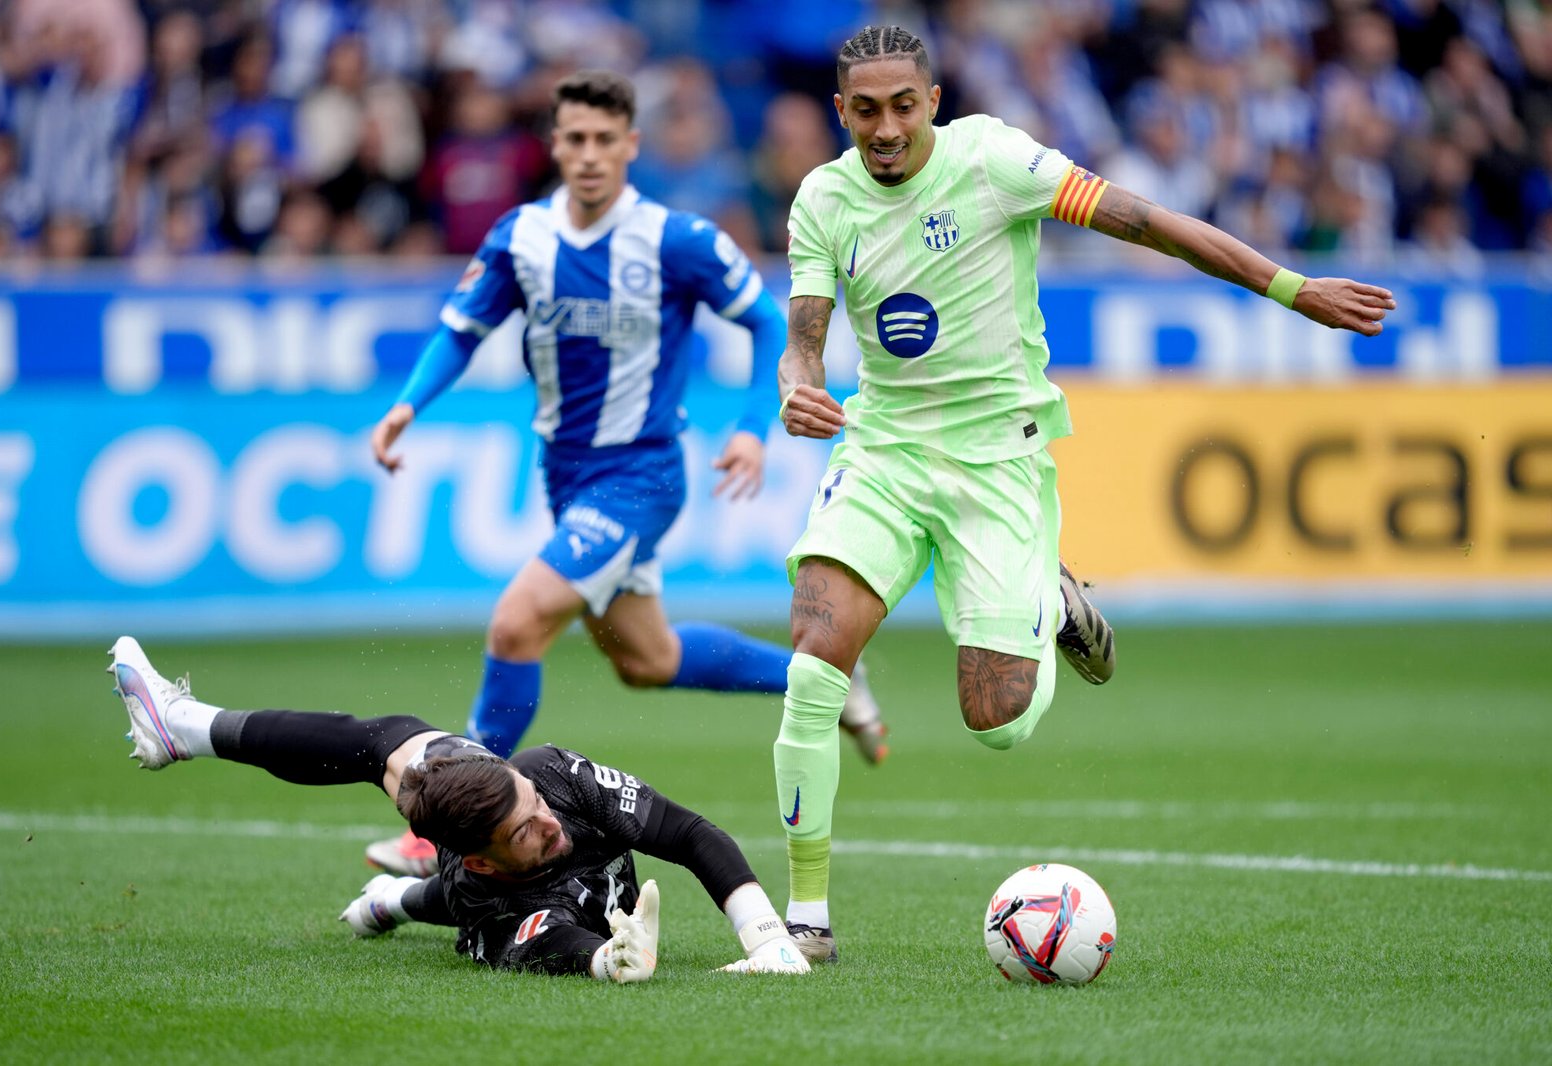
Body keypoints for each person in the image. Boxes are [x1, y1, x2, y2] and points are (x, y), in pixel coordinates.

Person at [771, 25, 1397, 964]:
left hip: (996, 462)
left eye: (904, 105)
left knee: (997, 725)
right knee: (813, 667)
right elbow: (807, 334)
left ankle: (1050, 599)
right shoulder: (822, 198)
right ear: (841, 112)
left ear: (933, 100)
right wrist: (797, 380)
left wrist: (1289, 287)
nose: (887, 126)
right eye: (867, 109)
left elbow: (1144, 221)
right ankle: (806, 924)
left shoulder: (997, 160)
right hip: (886, 454)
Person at [365, 71, 890, 878]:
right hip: (566, 479)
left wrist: (754, 429)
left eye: (605, 140)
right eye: (574, 139)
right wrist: (407, 407)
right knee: (648, 659)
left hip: (642, 478)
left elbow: (761, 319)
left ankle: (441, 833)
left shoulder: (676, 238)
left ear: (630, 146)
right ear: (554, 145)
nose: (588, 155)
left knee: (516, 623)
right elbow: (461, 331)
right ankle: (823, 676)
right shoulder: (521, 238)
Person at [106, 635, 810, 979]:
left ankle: (190, 728)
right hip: (484, 896)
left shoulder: (551, 778)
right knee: (438, 888)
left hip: (477, 846)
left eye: (534, 803)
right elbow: (559, 944)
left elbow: (686, 833)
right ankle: (394, 899)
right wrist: (611, 960)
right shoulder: (489, 903)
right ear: (483, 853)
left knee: (390, 741)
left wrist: (766, 939)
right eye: (526, 829)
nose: (548, 820)